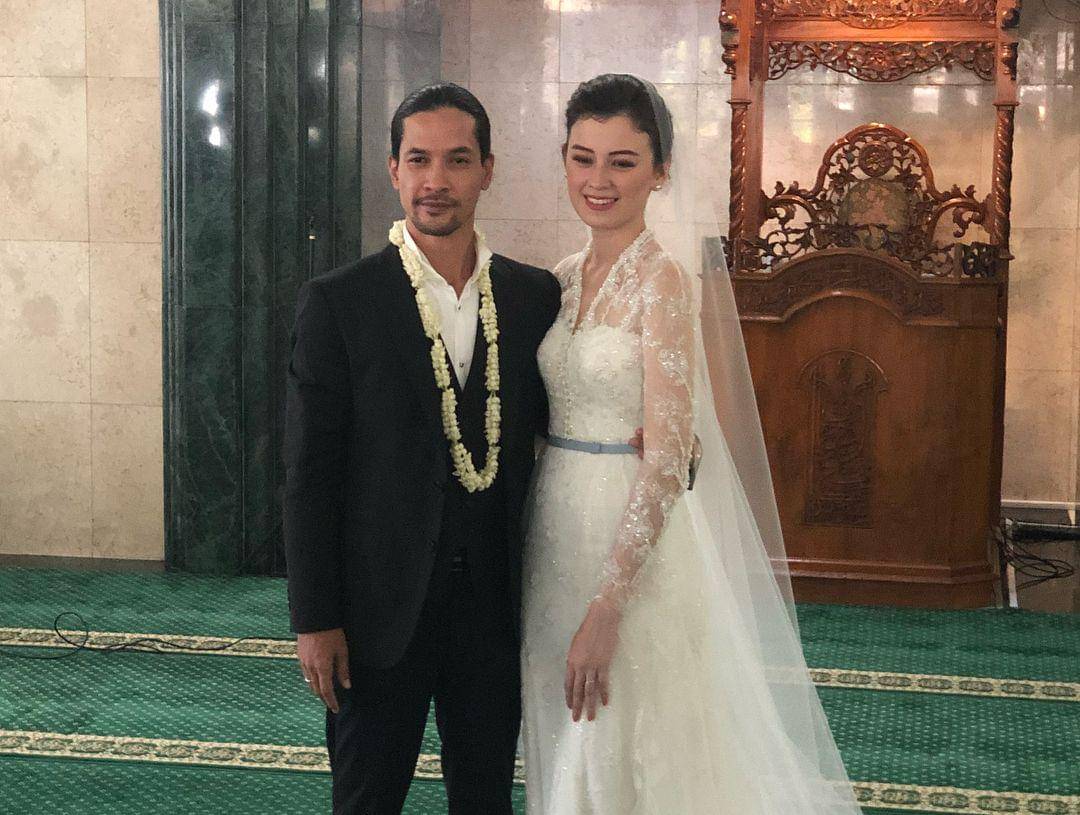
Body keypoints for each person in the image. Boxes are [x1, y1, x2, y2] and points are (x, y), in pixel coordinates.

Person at [283, 81, 642, 814]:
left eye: (457, 159)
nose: (436, 180)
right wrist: (314, 619)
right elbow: (308, 475)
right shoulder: (340, 302)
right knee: (366, 797)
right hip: (376, 613)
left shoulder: (533, 296)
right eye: (418, 159)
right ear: (393, 169)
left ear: (487, 170)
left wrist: (659, 439)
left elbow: (570, 411)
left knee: (485, 798)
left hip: (494, 609)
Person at [520, 74, 863, 813]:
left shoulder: (664, 282)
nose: (598, 180)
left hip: (627, 541)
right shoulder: (561, 280)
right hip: (553, 528)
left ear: (660, 170)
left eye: (622, 161)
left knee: (624, 725)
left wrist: (608, 604)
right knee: (562, 716)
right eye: (582, 158)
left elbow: (669, 459)